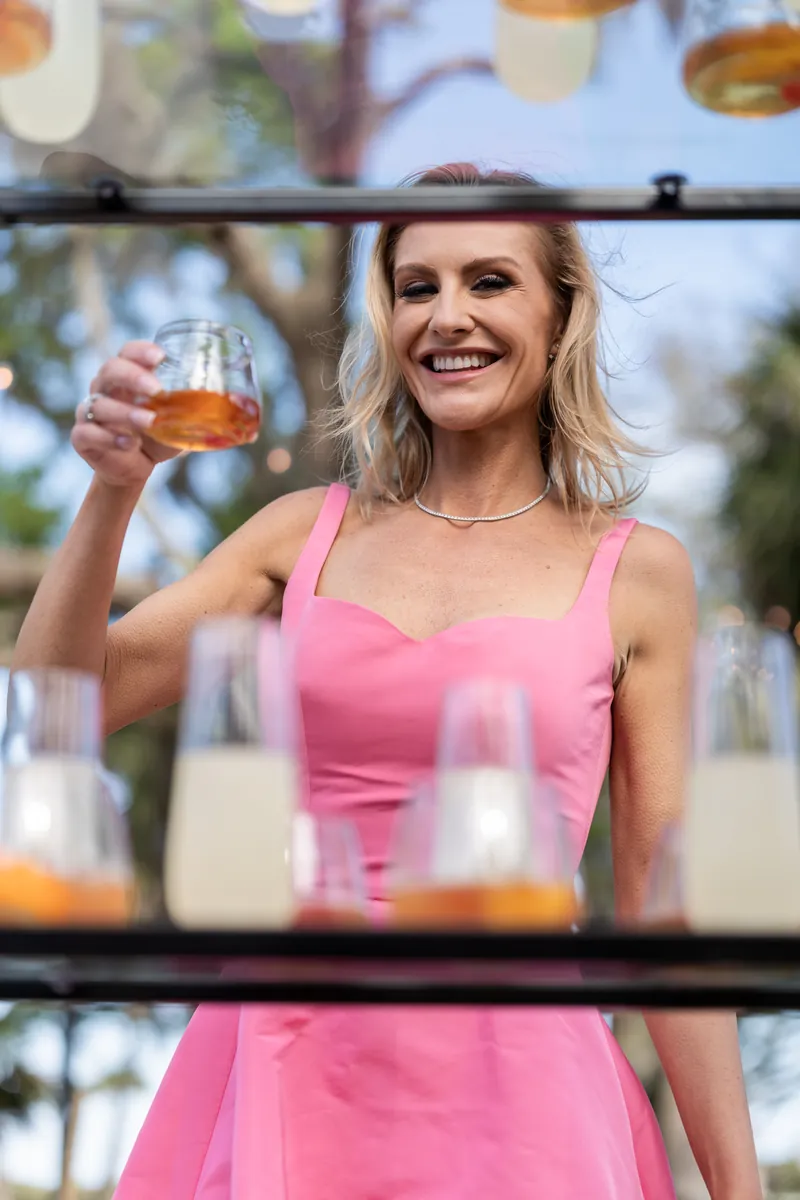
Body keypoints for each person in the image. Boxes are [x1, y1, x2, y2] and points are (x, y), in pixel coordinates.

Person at [12, 163, 762, 1200]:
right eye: (416, 287)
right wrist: (111, 493)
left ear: (560, 312)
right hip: (286, 1055)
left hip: (524, 1082)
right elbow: (51, 707)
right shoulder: (302, 535)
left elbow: (665, 911)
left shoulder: (637, 573)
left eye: (488, 281)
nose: (446, 318)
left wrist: (739, 1187)